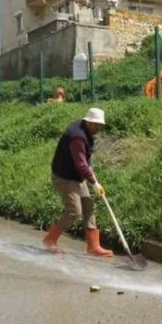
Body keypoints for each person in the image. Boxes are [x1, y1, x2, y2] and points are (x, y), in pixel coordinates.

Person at [43, 107, 113, 257]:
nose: (99, 128)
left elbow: (85, 163)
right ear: (89, 122)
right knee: (74, 211)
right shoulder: (77, 137)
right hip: (64, 176)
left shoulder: (86, 131)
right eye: (97, 125)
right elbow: (81, 164)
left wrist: (93, 180)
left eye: (100, 125)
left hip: (76, 176)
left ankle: (93, 246)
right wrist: (94, 183)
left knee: (89, 206)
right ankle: (50, 239)